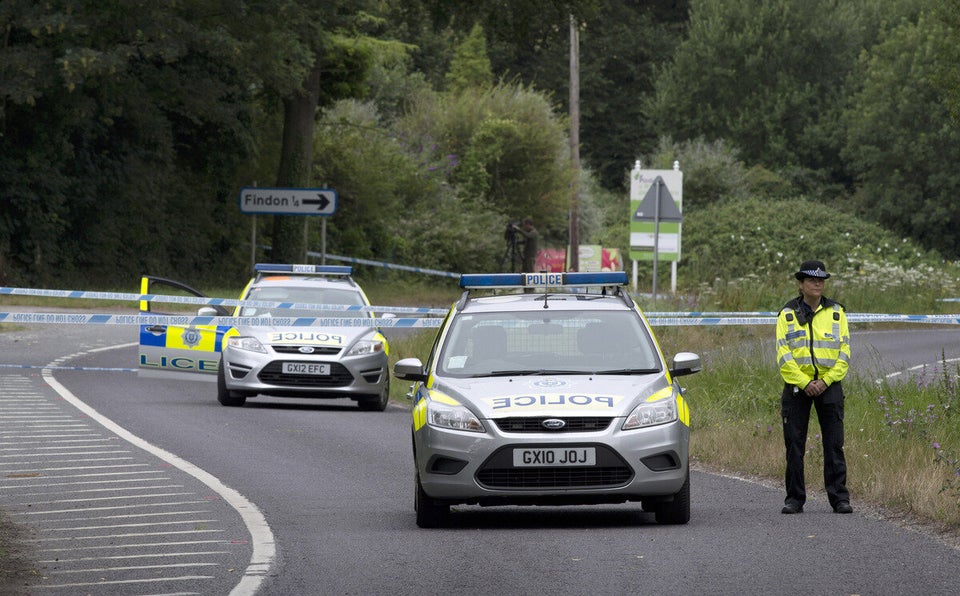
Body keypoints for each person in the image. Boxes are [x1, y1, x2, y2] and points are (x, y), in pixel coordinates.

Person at [775, 260, 853, 515]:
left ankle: (839, 498)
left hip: (828, 385)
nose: (818, 283)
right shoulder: (787, 314)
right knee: (794, 445)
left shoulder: (836, 312)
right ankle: (795, 499)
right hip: (798, 387)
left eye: (821, 280)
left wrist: (825, 382)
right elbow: (783, 357)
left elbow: (844, 352)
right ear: (801, 284)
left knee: (834, 444)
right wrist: (805, 382)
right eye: (812, 280)